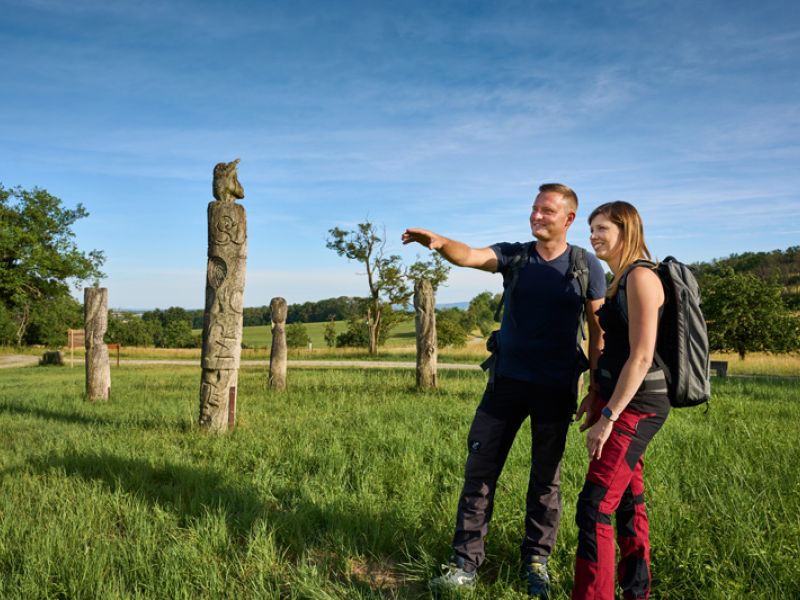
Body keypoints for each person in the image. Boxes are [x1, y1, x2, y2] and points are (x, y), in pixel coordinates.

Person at [402, 183, 606, 597]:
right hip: (505, 385)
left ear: (568, 219)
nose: (536, 216)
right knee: (480, 473)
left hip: (555, 389)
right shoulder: (516, 255)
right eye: (534, 209)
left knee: (545, 480)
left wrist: (597, 391)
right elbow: (472, 255)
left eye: (546, 211)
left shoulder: (586, 266)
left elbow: (599, 336)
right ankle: (465, 563)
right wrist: (440, 244)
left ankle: (537, 562)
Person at [572, 201, 669, 600]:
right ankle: (636, 590)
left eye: (602, 229)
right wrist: (596, 394)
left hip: (638, 405)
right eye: (591, 228)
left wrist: (609, 416)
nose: (593, 235)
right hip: (618, 400)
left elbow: (642, 356)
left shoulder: (642, 277)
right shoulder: (621, 278)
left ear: (625, 231)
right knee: (628, 499)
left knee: (595, 507)